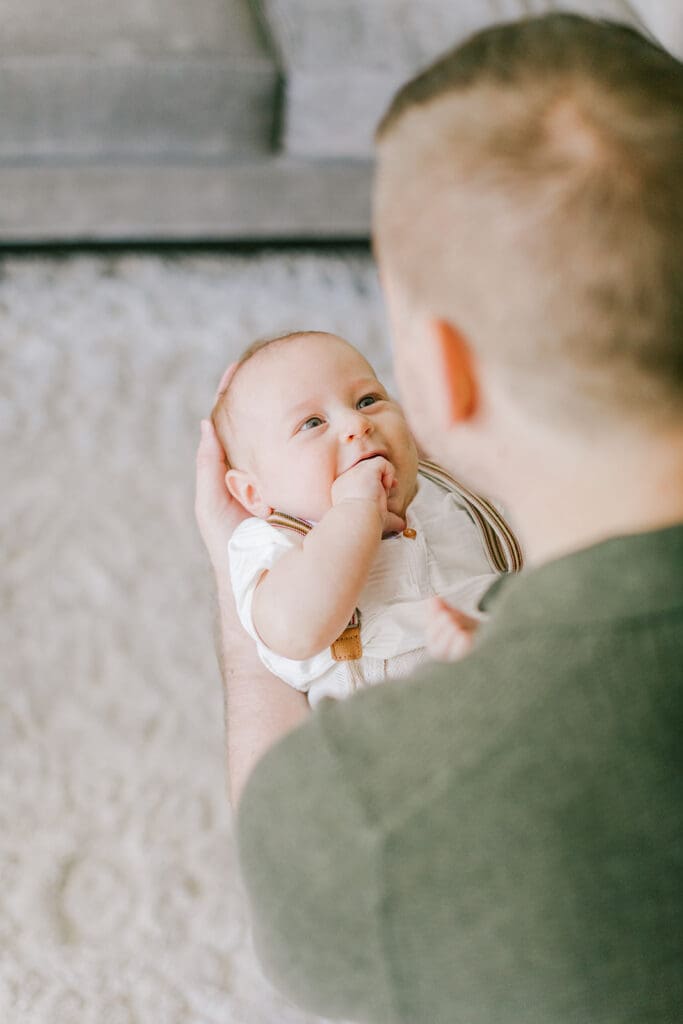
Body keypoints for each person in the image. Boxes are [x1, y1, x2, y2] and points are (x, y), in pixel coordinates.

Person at [195, 13, 683, 1024]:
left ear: (440, 375)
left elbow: (289, 894)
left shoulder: (366, 814)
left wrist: (239, 609)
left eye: (374, 382)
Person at [211, 329, 521, 705]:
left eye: (367, 400)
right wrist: (354, 512)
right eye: (312, 423)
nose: (357, 425)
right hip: (393, 743)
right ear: (253, 493)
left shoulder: (452, 489)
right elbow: (294, 630)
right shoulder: (273, 543)